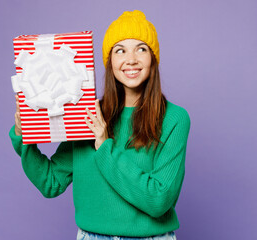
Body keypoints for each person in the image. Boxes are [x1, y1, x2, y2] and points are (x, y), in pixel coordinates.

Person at [10, 10, 190, 240]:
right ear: (109, 61)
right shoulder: (87, 115)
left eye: (141, 49)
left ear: (153, 58)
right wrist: (23, 135)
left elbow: (159, 200)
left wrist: (105, 146)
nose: (131, 59)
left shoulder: (174, 118)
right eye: (120, 50)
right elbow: (51, 182)